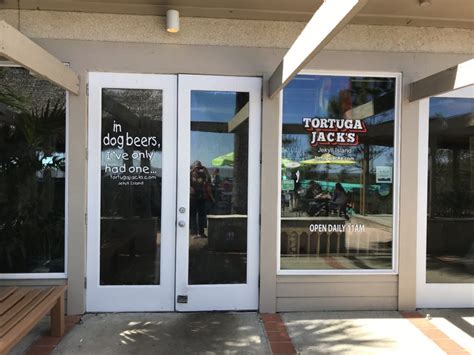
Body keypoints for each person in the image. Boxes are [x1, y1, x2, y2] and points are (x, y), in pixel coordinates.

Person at [190, 161, 214, 238]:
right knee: (193, 215)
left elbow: (208, 183)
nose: (198, 169)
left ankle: (201, 232)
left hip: (202, 196)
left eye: (199, 167)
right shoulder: (190, 174)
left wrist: (205, 170)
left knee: (201, 215)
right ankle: (194, 232)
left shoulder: (203, 175)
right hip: (193, 197)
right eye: (196, 167)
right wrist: (192, 170)